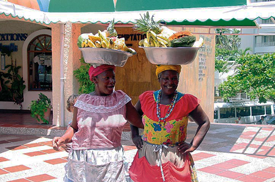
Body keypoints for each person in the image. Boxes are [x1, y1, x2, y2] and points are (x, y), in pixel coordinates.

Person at [52, 64, 144, 182]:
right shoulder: (82, 101)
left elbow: (140, 122)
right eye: (107, 78)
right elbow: (74, 128)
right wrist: (63, 139)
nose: (112, 81)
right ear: (95, 79)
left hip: (111, 160)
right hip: (83, 160)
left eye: (113, 77)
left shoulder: (121, 99)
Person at [129, 65, 210, 182]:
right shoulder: (147, 98)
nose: (170, 82)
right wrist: (135, 135)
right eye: (165, 78)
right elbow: (134, 116)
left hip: (174, 155)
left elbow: (205, 122)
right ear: (159, 79)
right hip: (148, 155)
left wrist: (194, 145)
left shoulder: (187, 101)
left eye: (174, 78)